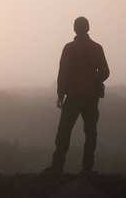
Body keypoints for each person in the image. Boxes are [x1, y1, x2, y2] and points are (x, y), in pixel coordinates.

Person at [44, 16, 110, 175]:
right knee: (90, 132)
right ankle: (87, 167)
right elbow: (105, 72)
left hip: (73, 97)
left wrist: (60, 94)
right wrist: (94, 81)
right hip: (91, 97)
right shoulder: (97, 48)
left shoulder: (69, 48)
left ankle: (57, 165)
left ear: (75, 29)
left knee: (64, 131)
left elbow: (63, 73)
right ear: (88, 28)